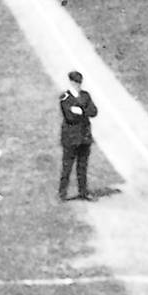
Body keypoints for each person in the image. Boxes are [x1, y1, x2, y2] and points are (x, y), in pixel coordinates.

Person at [58, 69, 98, 200]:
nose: (77, 85)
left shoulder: (85, 95)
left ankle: (83, 192)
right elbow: (70, 117)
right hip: (71, 138)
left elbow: (93, 111)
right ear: (71, 82)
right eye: (75, 82)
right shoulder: (65, 98)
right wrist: (82, 112)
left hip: (84, 137)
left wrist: (80, 111)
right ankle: (62, 194)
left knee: (82, 167)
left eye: (79, 82)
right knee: (67, 168)